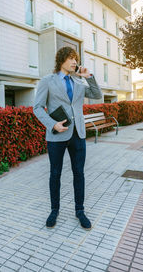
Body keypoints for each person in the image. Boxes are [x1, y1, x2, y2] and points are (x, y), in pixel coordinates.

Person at [33, 46, 102, 230]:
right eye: (71, 58)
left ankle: (80, 211)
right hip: (57, 135)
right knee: (55, 174)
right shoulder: (47, 81)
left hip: (78, 134)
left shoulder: (79, 82)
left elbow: (97, 95)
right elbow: (37, 107)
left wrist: (89, 77)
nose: (74, 62)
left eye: (76, 59)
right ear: (61, 60)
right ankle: (54, 210)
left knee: (79, 173)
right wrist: (51, 124)